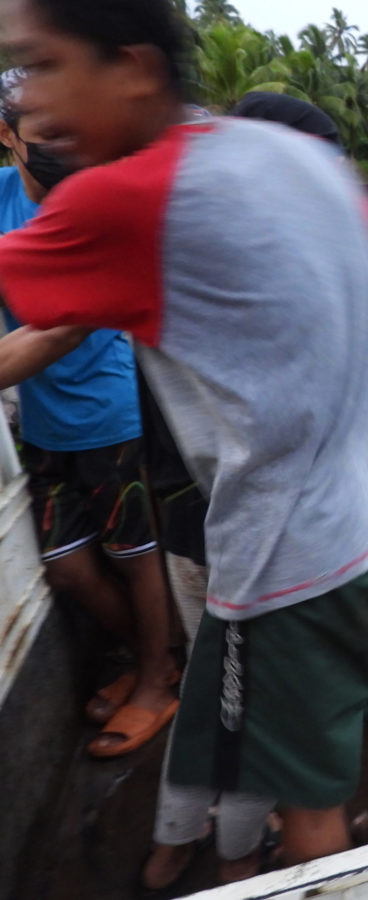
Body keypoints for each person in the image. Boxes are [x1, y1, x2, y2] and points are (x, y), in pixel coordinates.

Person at [0, 0, 368, 867]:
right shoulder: (295, 155)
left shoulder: (120, 201)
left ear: (133, 68)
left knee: (307, 805)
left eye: (45, 65)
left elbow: (41, 318)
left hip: (299, 557)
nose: (30, 106)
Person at [0, 67, 179, 758]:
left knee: (134, 554)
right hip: (41, 422)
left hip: (108, 412)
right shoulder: (6, 200)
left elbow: (64, 326)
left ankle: (156, 686)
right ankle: (153, 658)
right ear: (9, 136)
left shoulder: (93, 206)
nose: (63, 148)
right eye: (46, 135)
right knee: (68, 565)